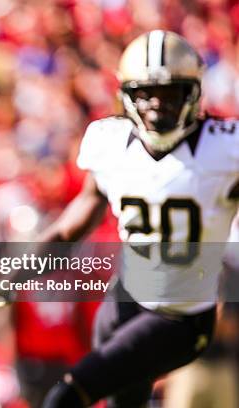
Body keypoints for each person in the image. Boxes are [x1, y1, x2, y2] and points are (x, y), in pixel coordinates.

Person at [39, 30, 239, 407]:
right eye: (146, 92)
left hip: (180, 316)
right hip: (123, 300)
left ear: (193, 93)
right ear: (127, 94)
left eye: (170, 92)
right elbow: (74, 221)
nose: (157, 105)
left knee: (65, 397)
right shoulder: (108, 141)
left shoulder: (225, 148)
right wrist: (16, 274)